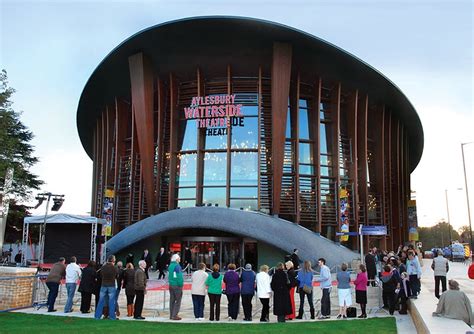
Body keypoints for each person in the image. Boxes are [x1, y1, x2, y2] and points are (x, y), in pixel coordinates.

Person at [95, 255, 118, 320]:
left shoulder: (103, 267)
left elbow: (101, 275)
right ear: (113, 260)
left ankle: (97, 316)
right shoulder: (114, 267)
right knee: (111, 302)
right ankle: (112, 317)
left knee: (101, 301)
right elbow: (117, 275)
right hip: (111, 285)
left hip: (103, 285)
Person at [168, 253, 184, 320]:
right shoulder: (177, 266)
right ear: (177, 259)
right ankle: (175, 315)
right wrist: (181, 284)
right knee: (178, 301)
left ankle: (171, 314)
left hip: (171, 284)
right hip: (177, 285)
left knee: (172, 300)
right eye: (179, 258)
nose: (180, 259)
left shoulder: (170, 265)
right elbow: (179, 276)